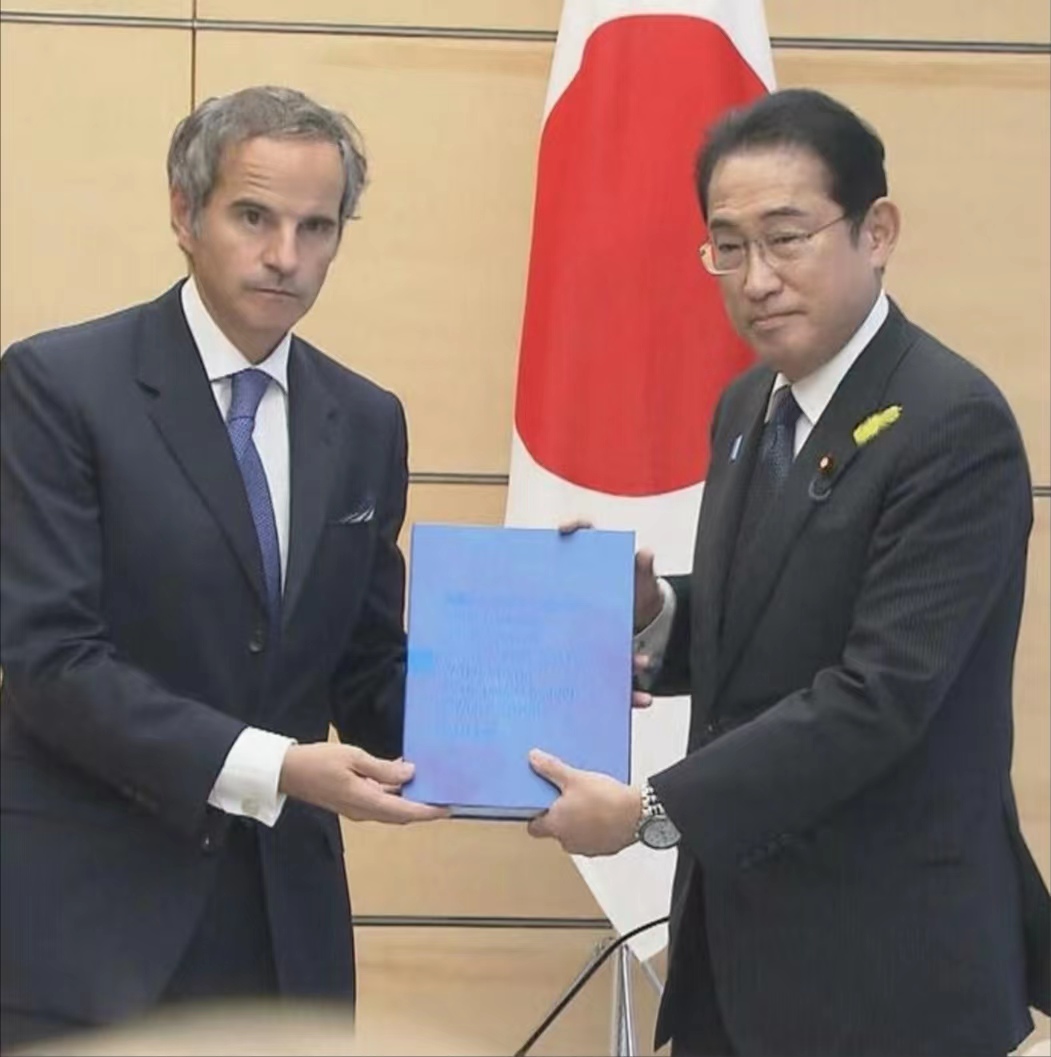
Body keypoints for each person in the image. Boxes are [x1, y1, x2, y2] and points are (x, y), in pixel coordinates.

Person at [526, 88, 1050, 1056]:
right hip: (738, 952)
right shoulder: (746, 406)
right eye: (727, 246)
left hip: (889, 965)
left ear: (875, 231)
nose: (756, 278)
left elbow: (877, 695)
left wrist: (649, 810)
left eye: (785, 238)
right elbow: (769, 628)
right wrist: (655, 612)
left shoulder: (951, 422)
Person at [0, 85, 445, 1053]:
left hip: (286, 934)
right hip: (94, 925)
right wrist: (274, 764)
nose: (286, 255)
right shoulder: (57, 385)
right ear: (183, 212)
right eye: (253, 217)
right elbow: (50, 660)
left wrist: (543, 692)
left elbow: (366, 668)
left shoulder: (367, 421)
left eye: (317, 227)